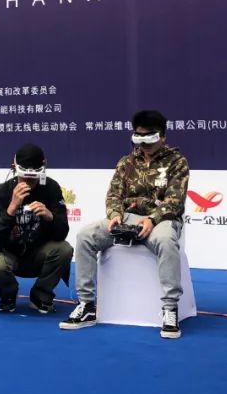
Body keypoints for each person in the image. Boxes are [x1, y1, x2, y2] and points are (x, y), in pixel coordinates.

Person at [59, 110, 189, 339]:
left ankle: (170, 308)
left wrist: (152, 219)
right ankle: (87, 305)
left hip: (161, 220)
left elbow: (175, 201)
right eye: (139, 136)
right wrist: (115, 215)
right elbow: (113, 196)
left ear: (162, 136)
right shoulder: (126, 162)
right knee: (86, 236)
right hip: (127, 218)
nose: (144, 143)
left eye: (149, 137)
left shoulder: (177, 162)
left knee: (166, 241)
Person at [0, 143, 72, 314]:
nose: (28, 182)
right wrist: (11, 209)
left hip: (38, 255)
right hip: (9, 255)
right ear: (14, 168)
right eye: (24, 178)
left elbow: (62, 233)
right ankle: (8, 294)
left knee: (64, 249)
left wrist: (50, 217)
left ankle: (41, 296)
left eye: (33, 178)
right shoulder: (2, 192)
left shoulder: (51, 188)